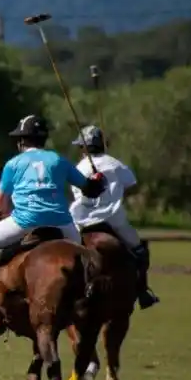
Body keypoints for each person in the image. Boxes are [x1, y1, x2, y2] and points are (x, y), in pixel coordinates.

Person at [0, 115, 107, 319]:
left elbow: (0, 204)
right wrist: (98, 181)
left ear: (21, 141)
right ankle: (90, 293)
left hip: (25, 221)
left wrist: (11, 211)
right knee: (86, 255)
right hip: (61, 222)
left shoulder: (13, 164)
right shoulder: (59, 160)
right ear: (44, 139)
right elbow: (89, 188)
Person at [69, 125, 159, 309]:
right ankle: (142, 292)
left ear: (84, 148)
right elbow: (131, 182)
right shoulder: (116, 164)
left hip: (81, 220)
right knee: (140, 250)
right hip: (113, 219)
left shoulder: (78, 167)